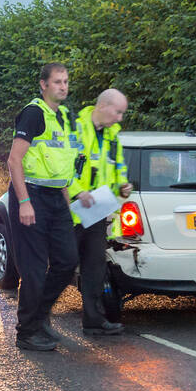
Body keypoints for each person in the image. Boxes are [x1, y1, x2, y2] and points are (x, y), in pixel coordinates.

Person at [6, 62, 81, 352]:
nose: (63, 86)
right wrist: (24, 202)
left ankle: (39, 316)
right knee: (35, 268)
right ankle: (27, 332)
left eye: (66, 81)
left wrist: (69, 203)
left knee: (66, 260)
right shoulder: (34, 113)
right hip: (31, 196)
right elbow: (14, 161)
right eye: (58, 82)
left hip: (55, 197)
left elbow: (59, 167)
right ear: (43, 85)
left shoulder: (62, 116)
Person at [67, 89, 133, 335]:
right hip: (70, 212)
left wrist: (123, 187)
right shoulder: (76, 128)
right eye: (118, 112)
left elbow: (117, 170)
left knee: (95, 267)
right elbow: (62, 166)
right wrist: (76, 191)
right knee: (63, 266)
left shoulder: (113, 137)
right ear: (103, 106)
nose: (120, 118)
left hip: (95, 213)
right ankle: (37, 317)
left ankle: (94, 320)